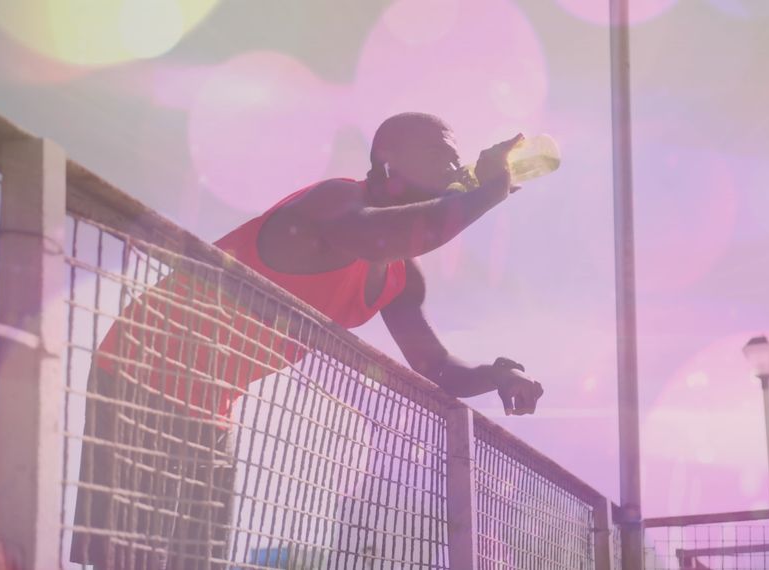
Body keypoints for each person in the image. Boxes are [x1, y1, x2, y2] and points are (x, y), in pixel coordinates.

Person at [70, 112, 546, 569]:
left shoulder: (403, 275)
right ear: (388, 162)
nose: (452, 165)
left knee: (196, 562)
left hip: (211, 408)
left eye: (454, 158)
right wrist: (490, 191)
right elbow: (383, 235)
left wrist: (499, 374)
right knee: (125, 560)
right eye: (438, 153)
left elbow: (437, 365)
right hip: (138, 368)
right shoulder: (335, 201)